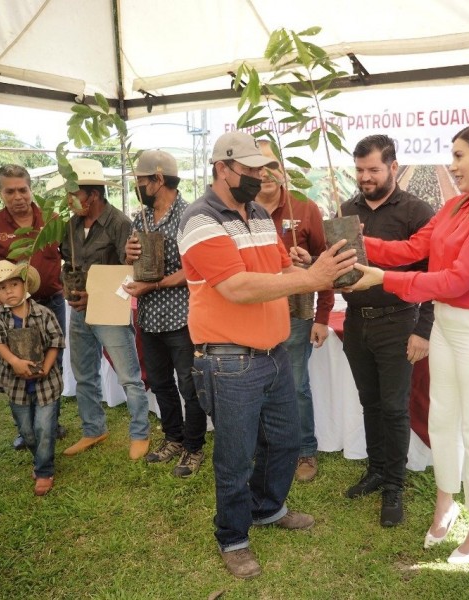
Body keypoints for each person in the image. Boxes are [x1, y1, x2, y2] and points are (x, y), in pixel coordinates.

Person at [178, 131, 356, 579]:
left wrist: (300, 266)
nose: (260, 177)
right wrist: (310, 278)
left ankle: (268, 508)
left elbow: (276, 268)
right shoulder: (200, 219)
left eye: (263, 169)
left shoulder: (256, 212)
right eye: (251, 170)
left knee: (284, 441)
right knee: (236, 456)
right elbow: (236, 287)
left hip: (273, 351)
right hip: (229, 359)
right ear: (223, 168)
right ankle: (233, 537)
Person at [348, 124, 469, 561]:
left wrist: (384, 279)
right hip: (446, 325)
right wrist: (347, 244)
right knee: (443, 421)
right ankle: (446, 500)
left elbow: (458, 278)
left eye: (460, 155)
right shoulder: (454, 206)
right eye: (452, 154)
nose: (452, 164)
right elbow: (409, 248)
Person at [339, 134, 435, 527]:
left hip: (399, 323)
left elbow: (432, 276)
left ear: (394, 167)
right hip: (356, 321)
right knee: (371, 403)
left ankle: (394, 484)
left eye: (373, 169)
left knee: (395, 408)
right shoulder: (347, 209)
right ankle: (377, 470)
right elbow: (342, 263)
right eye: (359, 170)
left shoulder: (417, 211)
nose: (365, 177)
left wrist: (423, 330)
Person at [55, 158, 150, 460]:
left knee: (129, 375)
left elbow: (128, 272)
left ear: (92, 195)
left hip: (109, 311)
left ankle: (140, 433)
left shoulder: (119, 223)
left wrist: (94, 296)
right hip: (79, 310)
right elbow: (69, 264)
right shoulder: (70, 226)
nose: (70, 201)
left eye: (74, 194)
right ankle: (93, 428)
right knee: (84, 373)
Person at [123, 150, 208, 477]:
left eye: (141, 181)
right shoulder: (140, 218)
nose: (138, 187)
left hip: (182, 318)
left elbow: (195, 268)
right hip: (148, 317)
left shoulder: (189, 217)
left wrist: (155, 285)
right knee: (160, 382)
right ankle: (173, 437)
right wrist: (128, 254)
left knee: (189, 385)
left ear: (158, 180)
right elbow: (135, 264)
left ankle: (193, 446)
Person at [253, 140, 334, 482]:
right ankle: (266, 449)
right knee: (256, 383)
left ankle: (305, 452)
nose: (266, 173)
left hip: (297, 313)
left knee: (296, 383)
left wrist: (323, 317)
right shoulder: (242, 211)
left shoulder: (304, 207)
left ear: (284, 170)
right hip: (253, 311)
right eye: (258, 167)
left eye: (272, 165)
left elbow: (327, 262)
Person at [0, 164, 68, 448]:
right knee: (19, 365)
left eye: (23, 190)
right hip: (13, 311)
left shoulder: (51, 220)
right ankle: (24, 426)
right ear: (0, 193)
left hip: (50, 303)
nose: (18, 196)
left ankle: (50, 423)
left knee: (53, 362)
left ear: (31, 189)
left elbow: (70, 255)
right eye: (10, 191)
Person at [0, 261, 64, 496]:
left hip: (46, 383)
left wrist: (45, 366)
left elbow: (56, 341)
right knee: (27, 431)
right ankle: (40, 458)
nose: (9, 291)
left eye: (14, 284)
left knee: (44, 427)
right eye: (2, 288)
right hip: (16, 385)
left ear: (25, 285)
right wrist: (15, 362)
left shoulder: (44, 313)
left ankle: (44, 471)